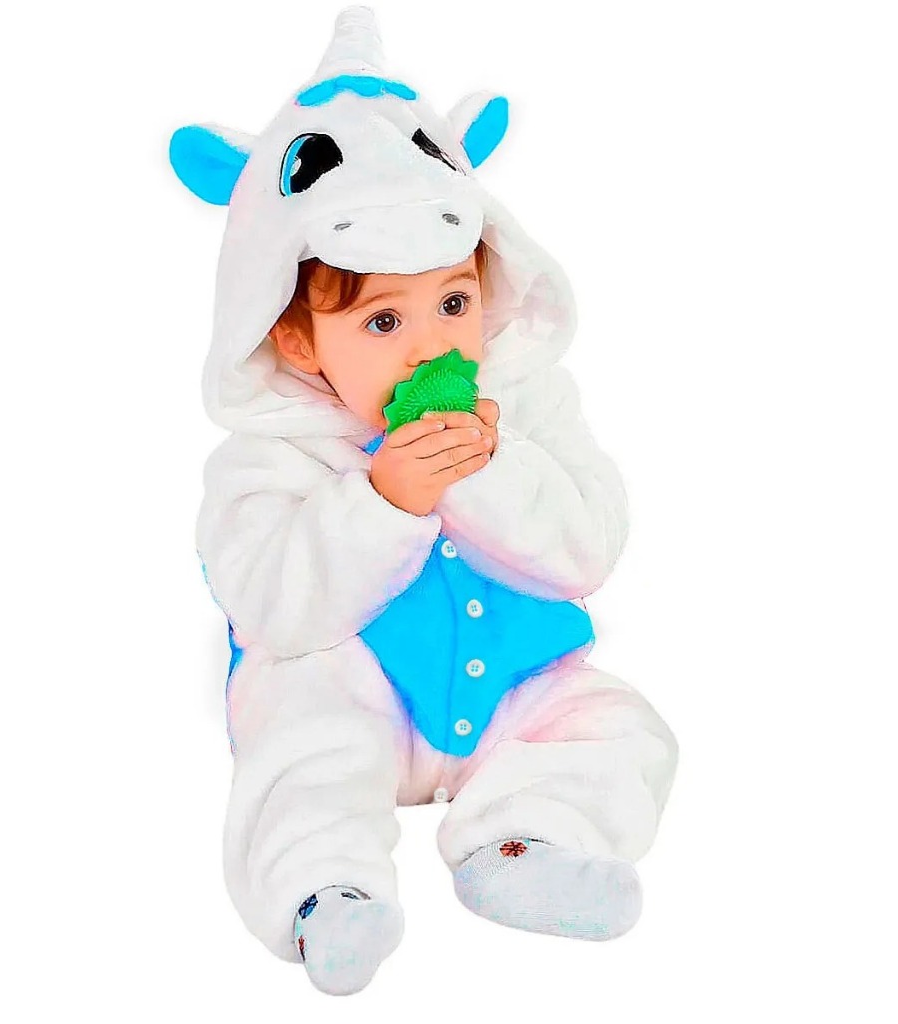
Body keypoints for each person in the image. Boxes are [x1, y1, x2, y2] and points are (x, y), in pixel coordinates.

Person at [172, 5, 678, 997]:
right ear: (296, 339)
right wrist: (384, 501)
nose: (432, 347)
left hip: (508, 687)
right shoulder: (267, 452)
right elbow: (269, 603)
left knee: (624, 728)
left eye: (453, 302)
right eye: (382, 320)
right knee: (300, 749)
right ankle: (327, 893)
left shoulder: (525, 404)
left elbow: (588, 550)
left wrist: (487, 468)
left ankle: (523, 843)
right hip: (350, 690)